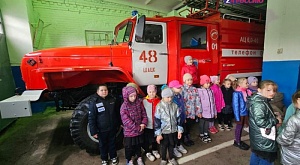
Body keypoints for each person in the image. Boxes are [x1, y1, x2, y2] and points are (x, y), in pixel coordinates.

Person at [247, 80, 281, 165]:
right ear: (259, 90)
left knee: (257, 155)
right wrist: (276, 120)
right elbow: (261, 122)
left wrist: (272, 115)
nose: (272, 93)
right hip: (263, 138)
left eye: (274, 90)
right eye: (268, 90)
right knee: (266, 159)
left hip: (259, 138)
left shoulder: (262, 100)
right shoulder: (259, 103)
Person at [88, 84, 119, 165]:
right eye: (102, 90)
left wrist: (119, 123)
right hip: (101, 130)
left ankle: (113, 157)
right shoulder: (94, 102)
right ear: (97, 92)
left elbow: (117, 114)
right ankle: (104, 159)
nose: (104, 91)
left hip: (112, 128)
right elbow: (91, 118)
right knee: (103, 145)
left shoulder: (112, 100)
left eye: (105, 90)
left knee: (112, 143)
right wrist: (93, 131)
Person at [154, 87, 183, 165]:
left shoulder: (175, 106)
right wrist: (158, 134)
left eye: (171, 97)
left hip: (173, 130)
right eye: (168, 97)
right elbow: (157, 121)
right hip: (164, 131)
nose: (170, 99)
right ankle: (163, 159)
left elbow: (178, 118)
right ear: (163, 97)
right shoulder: (159, 107)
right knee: (164, 146)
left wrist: (179, 130)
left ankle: (171, 157)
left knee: (171, 145)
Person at [120, 86, 148, 165]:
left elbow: (144, 114)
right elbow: (126, 121)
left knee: (138, 145)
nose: (133, 98)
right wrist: (138, 127)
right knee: (129, 147)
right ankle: (129, 160)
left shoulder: (139, 102)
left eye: (135, 96)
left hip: (139, 131)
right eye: (131, 96)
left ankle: (139, 157)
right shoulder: (124, 107)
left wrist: (144, 123)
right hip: (129, 132)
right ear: (126, 96)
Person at [276, 90, 300, 165]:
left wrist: (277, 138)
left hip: (293, 154)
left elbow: (285, 139)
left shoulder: (295, 119)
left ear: (298, 100)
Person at [169, 80, 188, 157]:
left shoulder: (180, 96)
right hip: (174, 121)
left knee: (180, 133)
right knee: (174, 135)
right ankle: (174, 148)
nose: (180, 88)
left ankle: (179, 144)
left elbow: (182, 107)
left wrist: (184, 117)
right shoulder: (171, 98)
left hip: (181, 118)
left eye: (180, 87)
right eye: (178, 87)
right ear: (172, 88)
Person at [181, 73, 201, 146]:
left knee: (190, 124)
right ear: (184, 81)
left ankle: (188, 136)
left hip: (192, 111)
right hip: (186, 112)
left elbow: (197, 100)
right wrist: (184, 110)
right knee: (185, 125)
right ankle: (185, 138)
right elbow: (182, 101)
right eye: (188, 80)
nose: (190, 81)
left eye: (191, 80)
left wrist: (198, 111)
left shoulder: (194, 89)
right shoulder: (182, 89)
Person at [142, 85, 161, 161]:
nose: (152, 93)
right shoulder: (144, 101)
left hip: (156, 124)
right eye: (150, 92)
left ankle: (154, 150)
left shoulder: (159, 101)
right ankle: (147, 151)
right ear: (147, 92)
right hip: (147, 124)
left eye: (153, 91)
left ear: (156, 92)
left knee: (155, 138)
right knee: (146, 139)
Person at [232, 77, 251, 150]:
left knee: (243, 126)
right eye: (246, 83)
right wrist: (237, 117)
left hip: (246, 112)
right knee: (239, 127)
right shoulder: (236, 93)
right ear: (240, 84)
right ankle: (237, 141)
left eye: (247, 83)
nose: (247, 84)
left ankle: (238, 140)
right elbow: (235, 106)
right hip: (240, 114)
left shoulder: (247, 91)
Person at [197, 75, 216, 143]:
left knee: (207, 122)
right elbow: (198, 102)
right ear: (202, 83)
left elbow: (213, 102)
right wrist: (199, 112)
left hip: (209, 111)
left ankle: (206, 133)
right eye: (206, 83)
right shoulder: (199, 91)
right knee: (202, 122)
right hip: (202, 111)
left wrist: (214, 112)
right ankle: (201, 134)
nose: (208, 85)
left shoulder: (211, 91)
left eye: (209, 83)